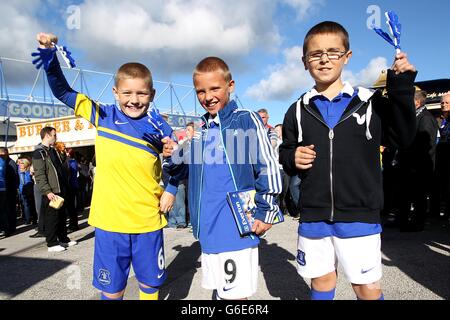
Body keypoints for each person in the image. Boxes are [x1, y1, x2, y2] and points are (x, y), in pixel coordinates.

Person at [32, 32, 179, 300]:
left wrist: (171, 187)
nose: (134, 99)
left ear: (152, 94)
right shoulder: (103, 115)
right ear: (115, 93)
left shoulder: (160, 126)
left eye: (141, 93)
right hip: (110, 224)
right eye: (127, 93)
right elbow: (63, 91)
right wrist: (48, 53)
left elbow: (180, 161)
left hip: (147, 221)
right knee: (112, 290)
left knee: (150, 286)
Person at [279, 21, 417, 300]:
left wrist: (402, 87)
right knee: (321, 281)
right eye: (315, 54)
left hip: (359, 216)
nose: (324, 59)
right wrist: (292, 156)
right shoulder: (297, 109)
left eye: (333, 51)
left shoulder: (371, 102)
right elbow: (285, 151)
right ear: (305, 62)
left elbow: (404, 138)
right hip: (314, 216)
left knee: (366, 288)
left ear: (347, 56)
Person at [168, 57, 282, 300]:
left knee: (235, 296)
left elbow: (267, 163)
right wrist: (172, 155)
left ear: (230, 86)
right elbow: (184, 169)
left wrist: (267, 210)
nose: (207, 96)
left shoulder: (245, 119)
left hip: (237, 226)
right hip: (208, 228)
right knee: (221, 292)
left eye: (214, 88)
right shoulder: (200, 130)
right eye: (201, 91)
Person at [396, 90, 438, 231]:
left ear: (417, 102)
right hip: (408, 165)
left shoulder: (425, 118)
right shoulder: (414, 117)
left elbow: (426, 145)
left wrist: (415, 163)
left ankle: (417, 224)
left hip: (418, 167)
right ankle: (402, 220)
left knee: (418, 196)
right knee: (405, 195)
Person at [33, 126, 76, 252]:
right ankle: (51, 243)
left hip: (60, 187)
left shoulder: (53, 150)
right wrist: (47, 191)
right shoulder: (39, 152)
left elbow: (59, 168)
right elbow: (39, 174)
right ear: (47, 136)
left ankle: (63, 239)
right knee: (52, 217)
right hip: (51, 190)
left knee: (62, 216)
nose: (56, 137)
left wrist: (63, 153)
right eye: (54, 135)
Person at [434, 92, 450, 220]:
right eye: (442, 102)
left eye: (447, 102)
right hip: (441, 160)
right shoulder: (440, 119)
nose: (444, 105)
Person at [0, 147, 19, 235]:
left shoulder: (11, 163)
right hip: (6, 189)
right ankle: (8, 227)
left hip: (10, 189)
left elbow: (14, 177)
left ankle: (10, 227)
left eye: (2, 154)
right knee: (6, 209)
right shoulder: (5, 162)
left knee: (9, 209)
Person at [18, 157, 38, 225]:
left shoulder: (29, 170)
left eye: (22, 163)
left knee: (32, 205)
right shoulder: (19, 171)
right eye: (19, 163)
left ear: (26, 163)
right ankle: (28, 219)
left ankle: (34, 219)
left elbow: (33, 180)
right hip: (22, 190)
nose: (20, 164)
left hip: (30, 190)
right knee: (25, 205)